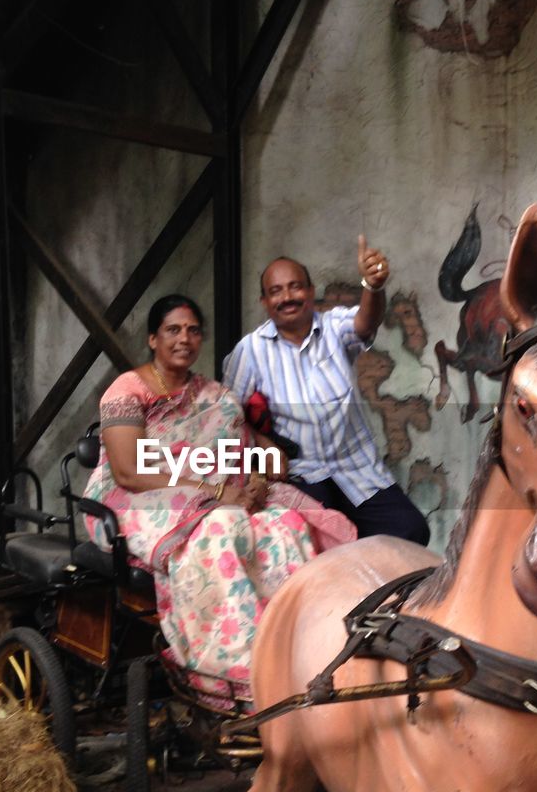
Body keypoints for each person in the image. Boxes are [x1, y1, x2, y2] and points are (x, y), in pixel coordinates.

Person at [81, 295, 354, 694]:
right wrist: (215, 493)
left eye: (193, 331)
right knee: (222, 525)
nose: (184, 339)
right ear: (153, 339)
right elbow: (128, 471)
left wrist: (257, 479)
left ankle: (295, 655)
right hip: (137, 495)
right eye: (173, 330)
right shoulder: (126, 390)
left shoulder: (215, 396)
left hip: (212, 493)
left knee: (284, 523)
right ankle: (233, 672)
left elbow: (246, 453)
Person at [223, 237, 430, 546]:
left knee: (411, 532)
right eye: (275, 291)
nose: (287, 297)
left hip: (357, 469)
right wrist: (263, 444)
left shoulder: (334, 328)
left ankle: (376, 594)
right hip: (301, 476)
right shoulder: (249, 351)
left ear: (309, 292)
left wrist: (373, 286)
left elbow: (365, 323)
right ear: (264, 302)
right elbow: (230, 416)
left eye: (295, 287)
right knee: (318, 548)